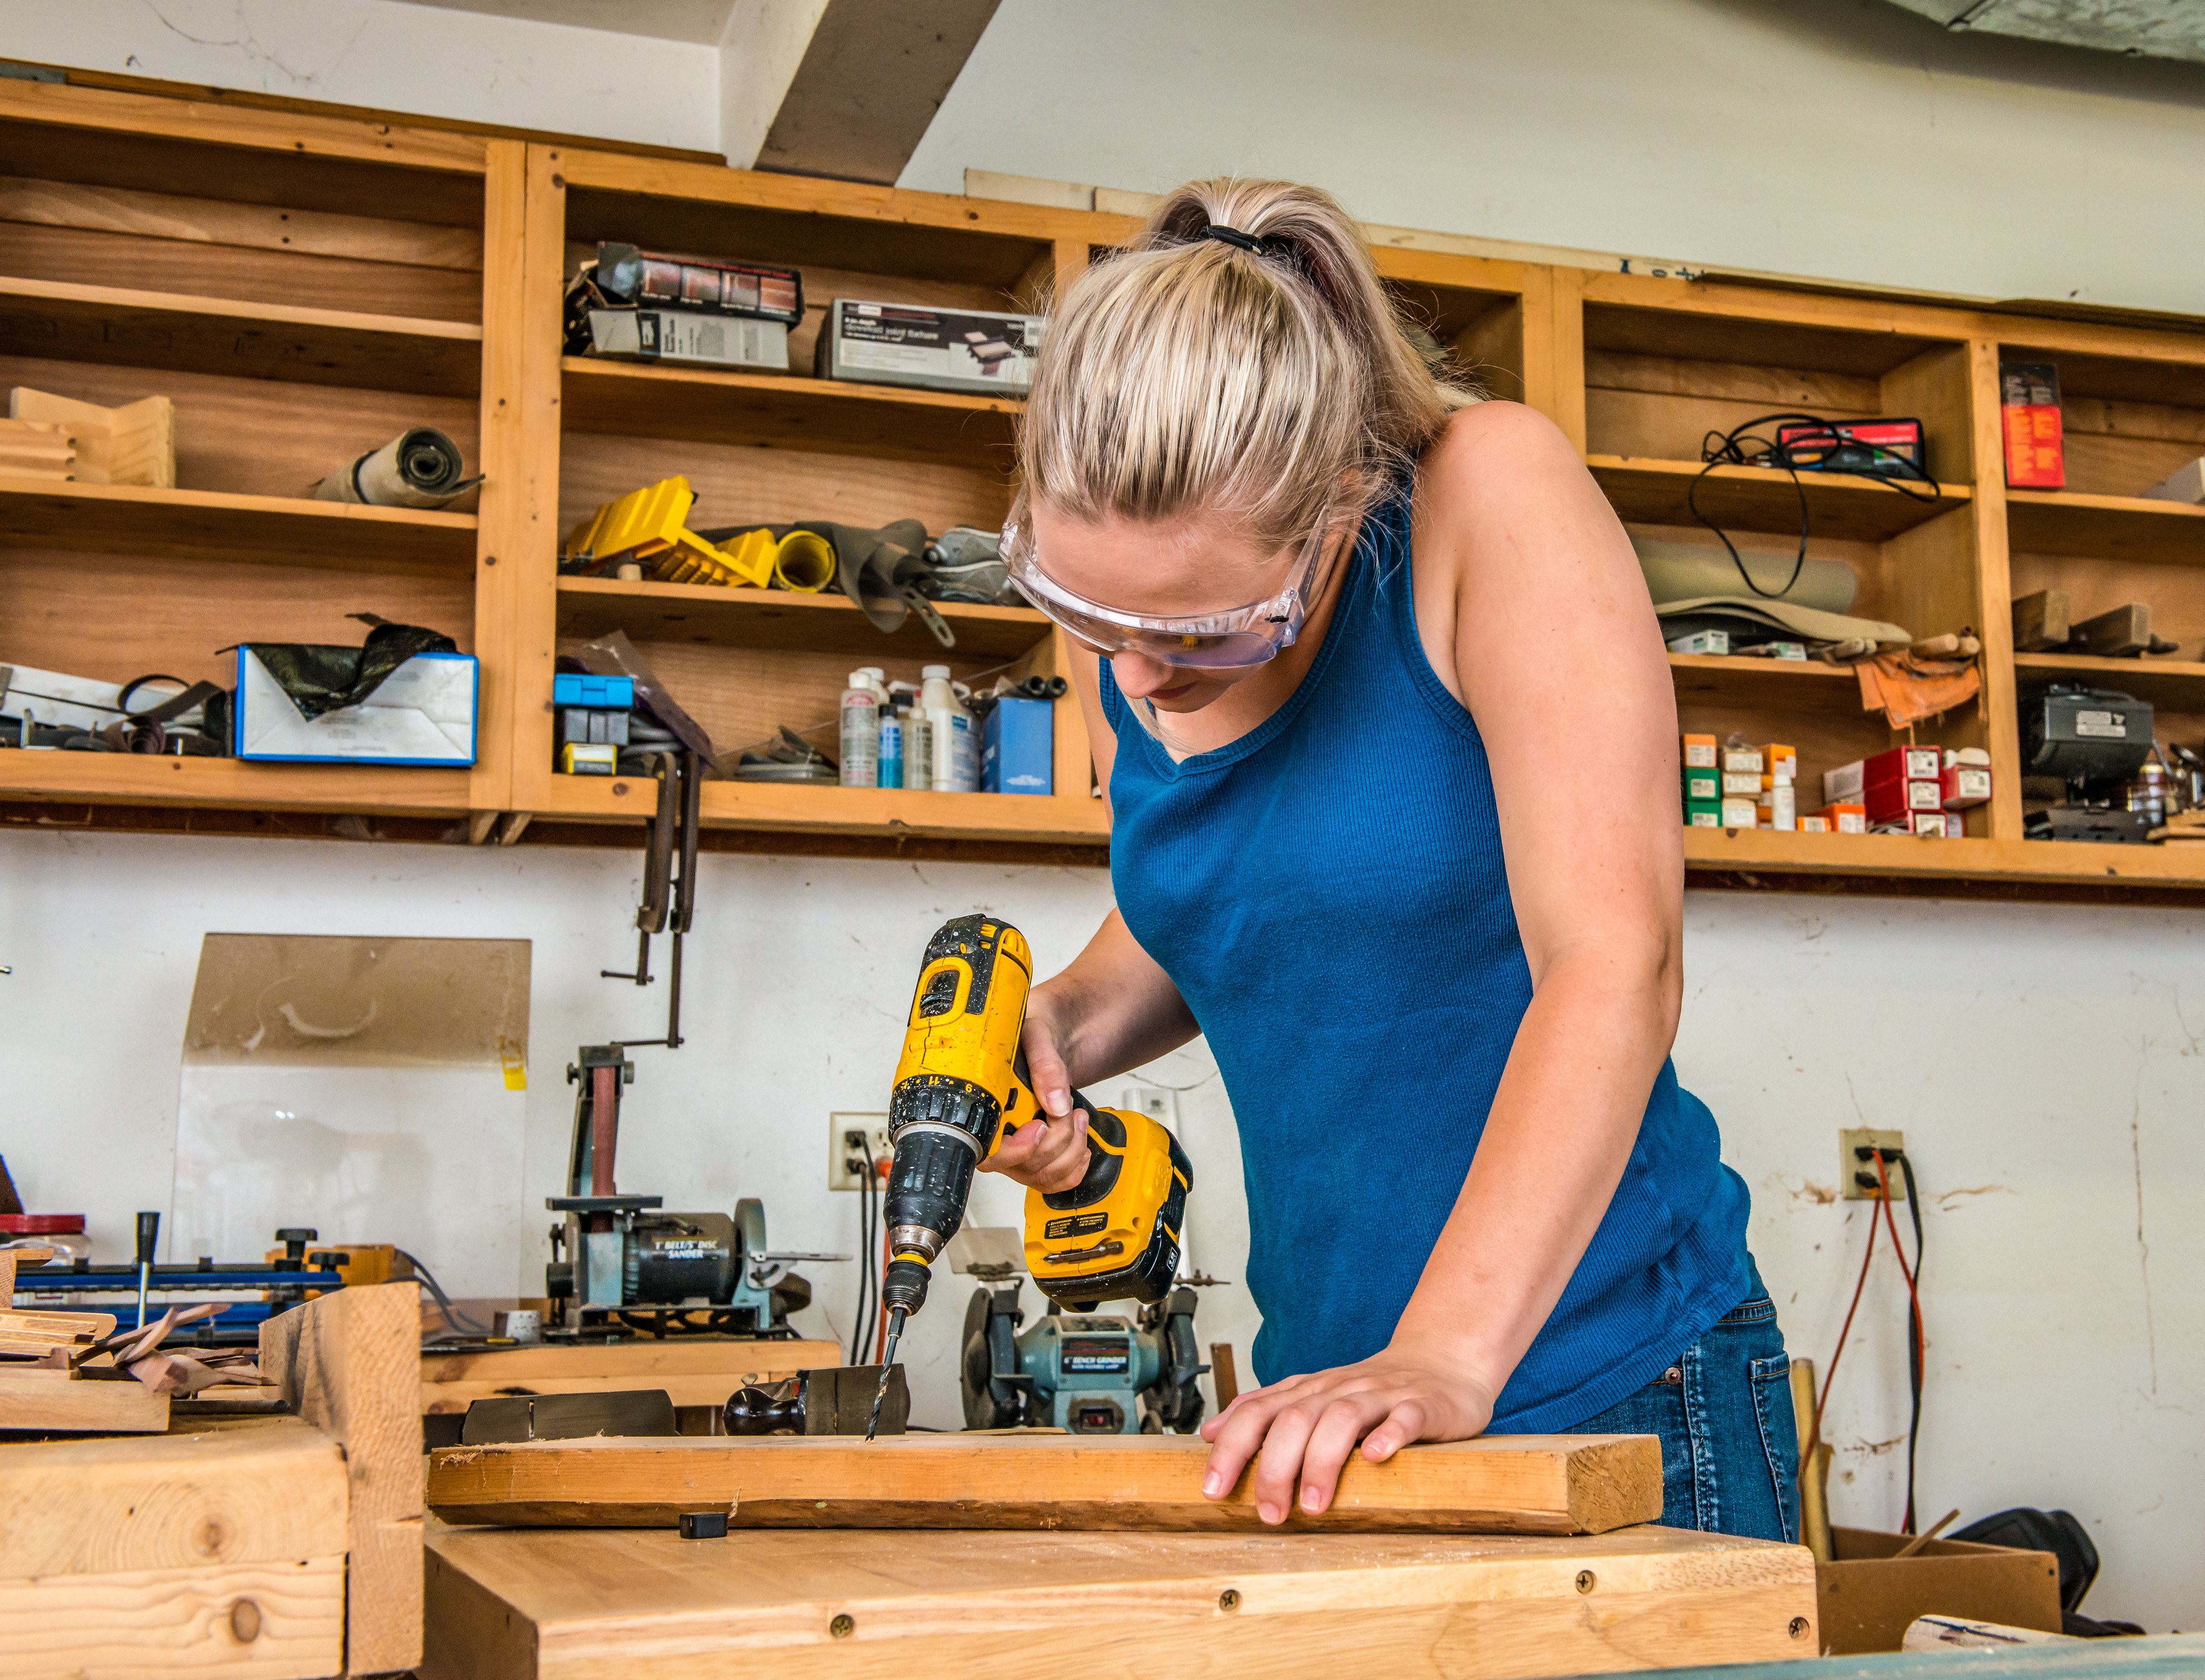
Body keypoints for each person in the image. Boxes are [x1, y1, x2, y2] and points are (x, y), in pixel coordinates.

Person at [974, 178, 1797, 1543]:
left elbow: (1613, 964)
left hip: (1600, 1379)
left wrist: (1445, 1356)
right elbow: (1238, 904)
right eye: (1086, 614)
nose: (1134, 675)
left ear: (1340, 507)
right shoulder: (1139, 593)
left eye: (1206, 634)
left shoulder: (1486, 496)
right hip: (1331, 1399)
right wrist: (1056, 1021)